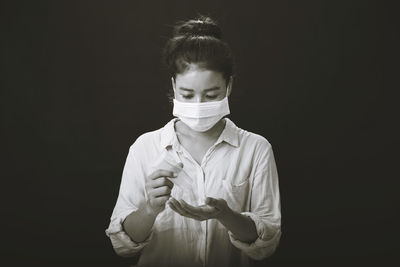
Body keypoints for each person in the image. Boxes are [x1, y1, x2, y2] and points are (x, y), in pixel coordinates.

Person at [105, 15, 281, 267]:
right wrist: (149, 210)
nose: (198, 106)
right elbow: (122, 246)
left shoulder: (255, 149)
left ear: (228, 86)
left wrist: (226, 215)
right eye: (187, 95)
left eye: (211, 95)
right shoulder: (145, 147)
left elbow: (267, 244)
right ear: (174, 86)